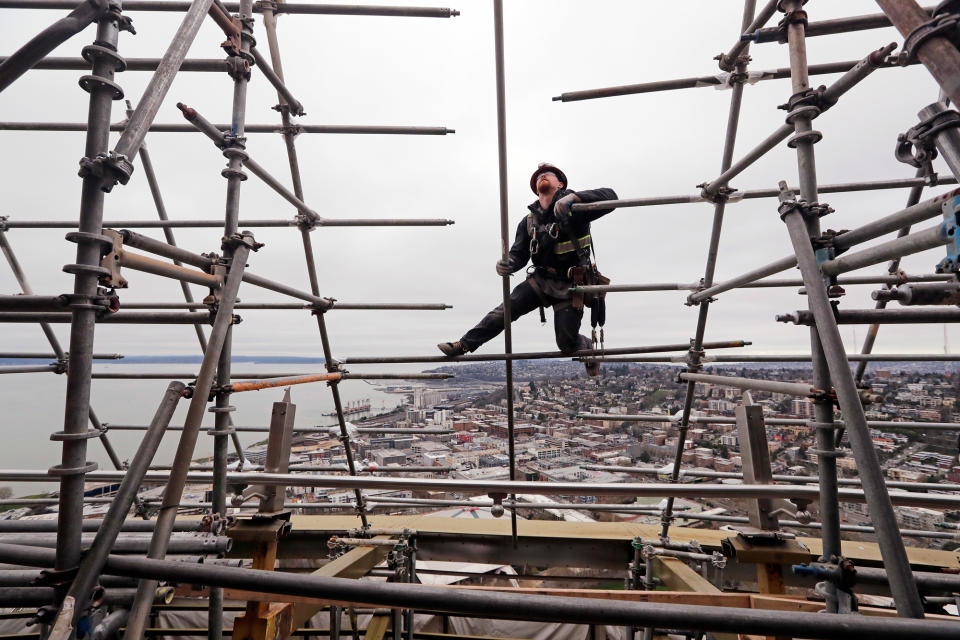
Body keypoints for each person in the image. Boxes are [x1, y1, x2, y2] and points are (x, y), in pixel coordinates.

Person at [438, 163, 617, 375]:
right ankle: (464, 344)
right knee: (505, 311)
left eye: (547, 174)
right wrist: (508, 263)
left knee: (566, 343)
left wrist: (575, 199)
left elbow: (611, 197)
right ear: (535, 189)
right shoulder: (529, 221)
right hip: (540, 281)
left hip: (571, 285)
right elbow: (519, 254)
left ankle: (585, 346)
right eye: (539, 176)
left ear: (560, 183)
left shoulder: (575, 210)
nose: (542, 176)